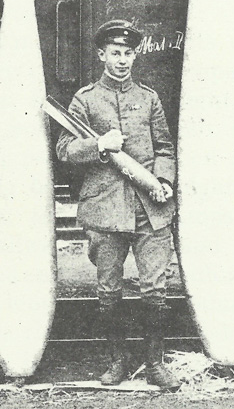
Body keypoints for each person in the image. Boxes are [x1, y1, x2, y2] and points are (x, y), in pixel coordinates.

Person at [56, 19, 180, 391]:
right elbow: (64, 149)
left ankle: (155, 363)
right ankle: (117, 361)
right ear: (102, 55)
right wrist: (99, 145)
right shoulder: (86, 98)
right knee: (109, 290)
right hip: (106, 208)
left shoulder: (149, 98)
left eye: (128, 53)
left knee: (155, 289)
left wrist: (166, 181)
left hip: (149, 209)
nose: (122, 60)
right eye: (115, 53)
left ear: (134, 55)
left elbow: (164, 149)